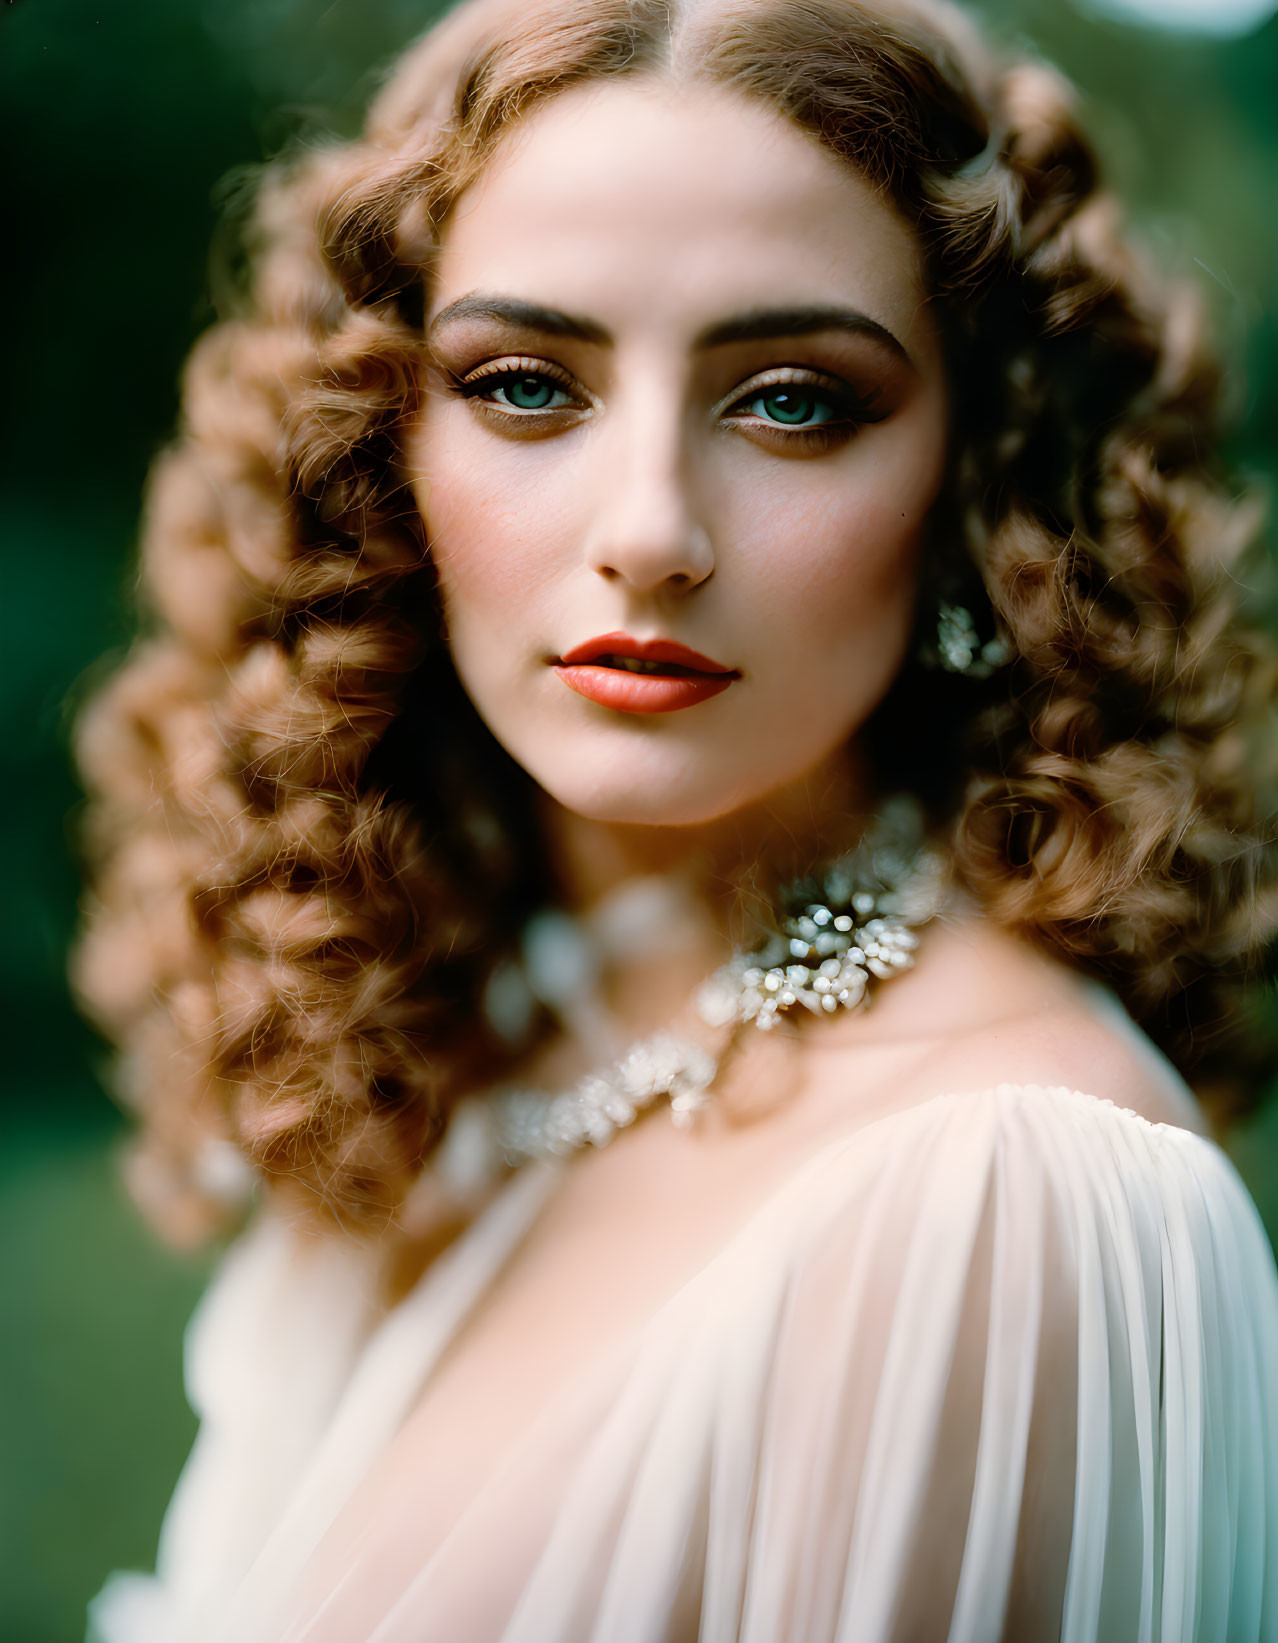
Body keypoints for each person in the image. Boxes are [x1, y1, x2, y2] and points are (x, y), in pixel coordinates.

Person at [75, 0, 1278, 1637]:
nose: (648, 530)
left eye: (791, 399)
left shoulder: (1008, 1204)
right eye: (521, 385)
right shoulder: (473, 1014)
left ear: (981, 481)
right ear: (380, 453)